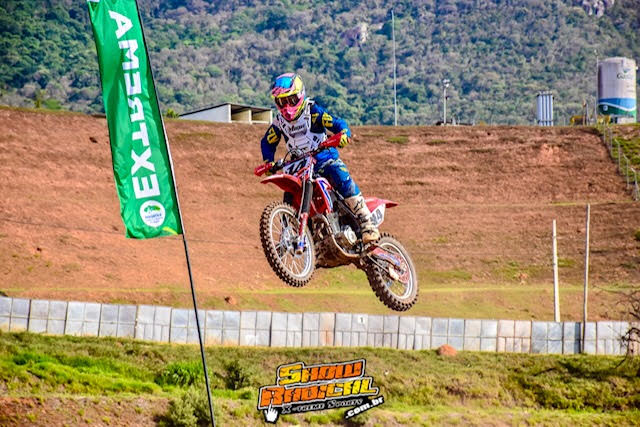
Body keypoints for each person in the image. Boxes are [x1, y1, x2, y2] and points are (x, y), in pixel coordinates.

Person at [259, 73, 380, 244]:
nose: (287, 107)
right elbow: (267, 142)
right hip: (298, 164)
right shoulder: (279, 122)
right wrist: (268, 161)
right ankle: (289, 235)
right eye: (281, 102)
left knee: (340, 175)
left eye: (291, 100)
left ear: (300, 95)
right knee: (290, 193)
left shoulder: (313, 112)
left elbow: (337, 123)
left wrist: (343, 133)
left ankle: (367, 223)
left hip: (323, 157)